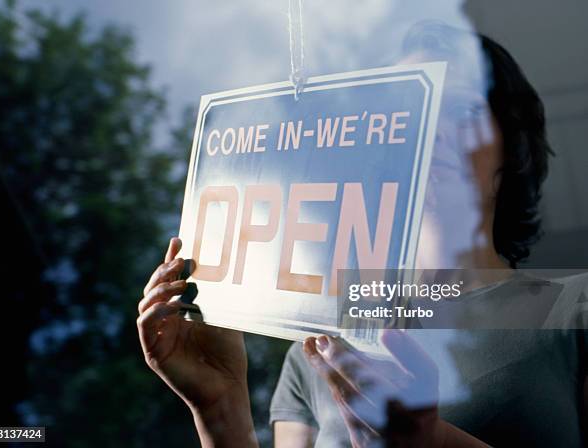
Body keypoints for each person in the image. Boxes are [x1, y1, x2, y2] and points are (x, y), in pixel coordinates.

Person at [137, 23, 587, 447]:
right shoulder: (315, 347)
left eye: (463, 109)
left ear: (513, 144)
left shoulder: (575, 312)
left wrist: (433, 442)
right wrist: (221, 409)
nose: (430, 128)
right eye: (406, 110)